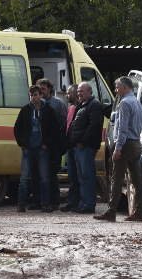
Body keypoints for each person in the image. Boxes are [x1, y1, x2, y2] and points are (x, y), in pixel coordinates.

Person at [95, 76, 142, 222]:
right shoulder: (136, 102)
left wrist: (118, 148)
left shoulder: (124, 103)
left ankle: (111, 212)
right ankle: (139, 211)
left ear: (124, 87)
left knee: (116, 179)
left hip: (126, 144)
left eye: (117, 87)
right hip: (136, 142)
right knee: (137, 180)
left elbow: (122, 128)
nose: (115, 90)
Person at [14, 85, 60, 212]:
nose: (33, 98)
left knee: (44, 177)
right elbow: (17, 128)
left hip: (42, 149)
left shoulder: (48, 110)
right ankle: (21, 204)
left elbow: (54, 129)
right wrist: (22, 144)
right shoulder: (25, 110)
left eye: (35, 95)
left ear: (40, 95)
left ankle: (45, 204)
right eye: (31, 95)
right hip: (28, 149)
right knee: (25, 177)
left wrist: (47, 143)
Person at [68, 82, 103, 213]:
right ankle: (83, 203)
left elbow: (94, 126)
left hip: (86, 147)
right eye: (78, 92)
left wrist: (83, 141)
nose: (79, 94)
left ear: (89, 91)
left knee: (87, 176)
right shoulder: (82, 105)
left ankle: (88, 205)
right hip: (78, 146)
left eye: (82, 91)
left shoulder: (94, 105)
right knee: (81, 176)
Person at [37, 78, 67, 209]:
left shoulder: (58, 104)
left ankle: (54, 201)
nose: (41, 91)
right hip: (39, 145)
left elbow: (63, 123)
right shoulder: (36, 103)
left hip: (54, 144)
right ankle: (41, 201)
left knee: (52, 174)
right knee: (40, 174)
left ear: (49, 89)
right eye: (39, 89)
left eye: (43, 88)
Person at [61, 84, 80, 212]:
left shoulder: (79, 108)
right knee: (72, 177)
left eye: (69, 93)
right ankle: (72, 202)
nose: (67, 95)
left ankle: (77, 202)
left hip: (77, 146)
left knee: (79, 177)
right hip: (70, 146)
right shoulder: (70, 107)